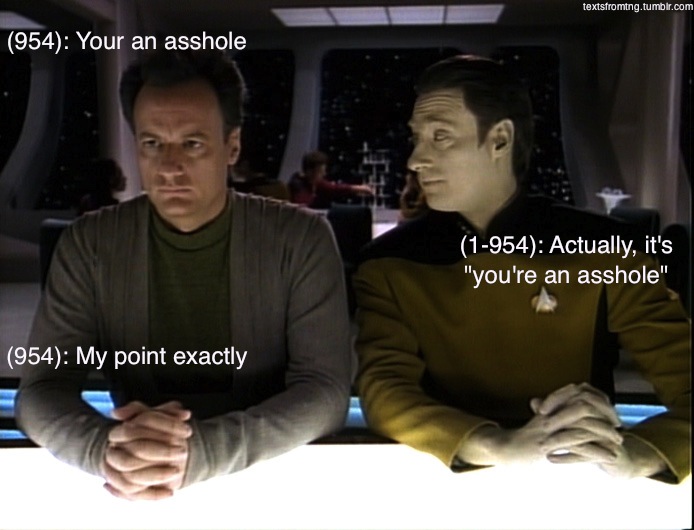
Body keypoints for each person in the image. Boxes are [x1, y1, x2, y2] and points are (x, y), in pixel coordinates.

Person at [16, 50, 352, 500]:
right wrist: (106, 451)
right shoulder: (89, 244)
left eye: (192, 144)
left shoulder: (302, 238)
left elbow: (326, 392)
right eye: (152, 144)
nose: (169, 167)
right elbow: (40, 390)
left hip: (275, 479)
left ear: (232, 146)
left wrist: (201, 454)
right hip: (140, 487)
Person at [354, 55, 690, 483]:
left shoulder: (610, 250)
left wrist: (638, 455)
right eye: (416, 138)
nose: (415, 160)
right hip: (441, 477)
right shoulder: (387, 264)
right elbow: (385, 392)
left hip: (574, 476)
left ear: (500, 139)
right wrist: (495, 445)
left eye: (440, 137)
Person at [288, 150, 373, 208]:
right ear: (310, 171)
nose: (324, 174)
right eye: (320, 172)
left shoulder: (313, 181)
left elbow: (335, 188)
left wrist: (359, 188)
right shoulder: (298, 186)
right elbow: (304, 208)